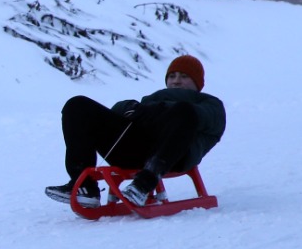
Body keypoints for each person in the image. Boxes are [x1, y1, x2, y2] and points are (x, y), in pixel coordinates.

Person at [45, 54, 226, 209]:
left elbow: (198, 117)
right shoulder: (151, 100)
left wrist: (155, 110)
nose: (176, 80)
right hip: (132, 150)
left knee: (184, 111)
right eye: (172, 76)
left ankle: (144, 184)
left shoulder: (210, 104)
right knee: (77, 105)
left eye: (184, 76)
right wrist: (130, 108)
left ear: (198, 83)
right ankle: (84, 187)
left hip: (174, 155)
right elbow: (115, 113)